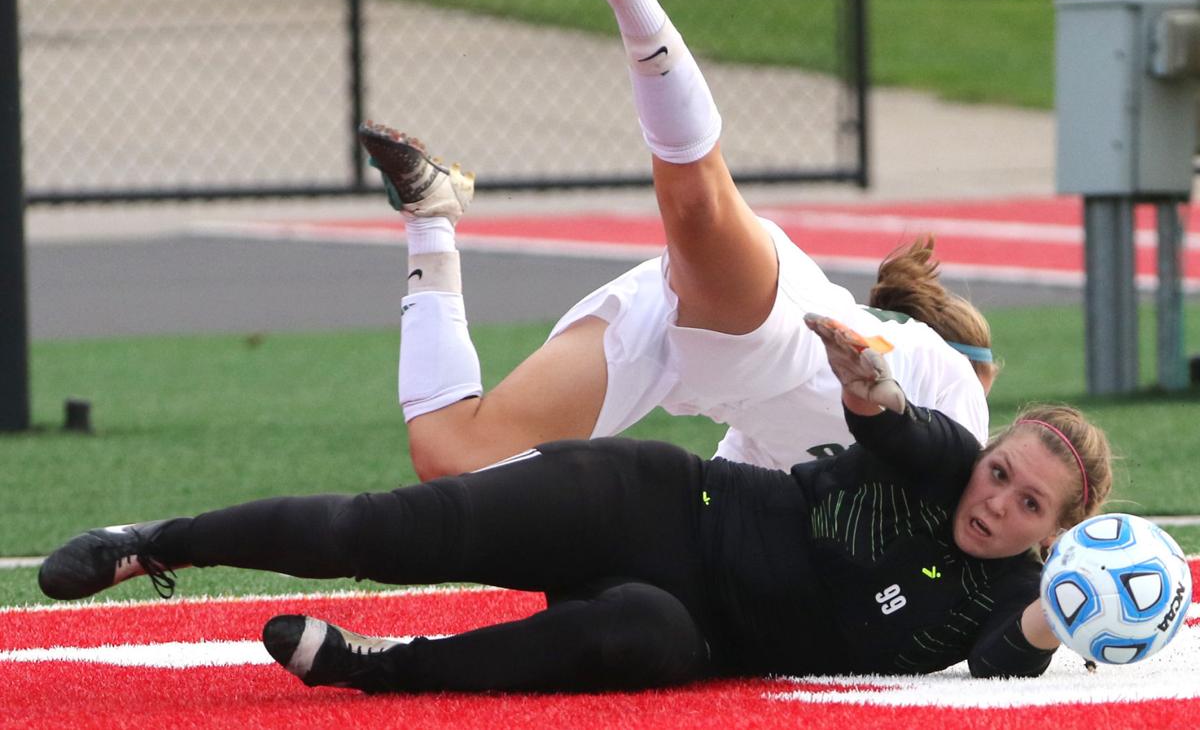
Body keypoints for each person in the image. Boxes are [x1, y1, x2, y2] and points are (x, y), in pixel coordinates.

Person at [37, 314, 1113, 692]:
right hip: (652, 504)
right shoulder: (945, 460)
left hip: (695, 634)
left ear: (1054, 533)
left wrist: (1069, 601)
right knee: (380, 530)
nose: (998, 501)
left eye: (1030, 505)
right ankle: (152, 543)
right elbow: (893, 424)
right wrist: (866, 384)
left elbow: (999, 663)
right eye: (1003, 472)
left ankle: (384, 669)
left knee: (634, 631)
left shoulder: (1016, 594)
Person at [358, 0, 998, 481]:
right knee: (696, 205)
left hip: (689, 360)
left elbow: (738, 506)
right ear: (982, 374)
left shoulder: (779, 451)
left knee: (452, 456)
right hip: (783, 326)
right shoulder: (955, 393)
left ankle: (431, 212)